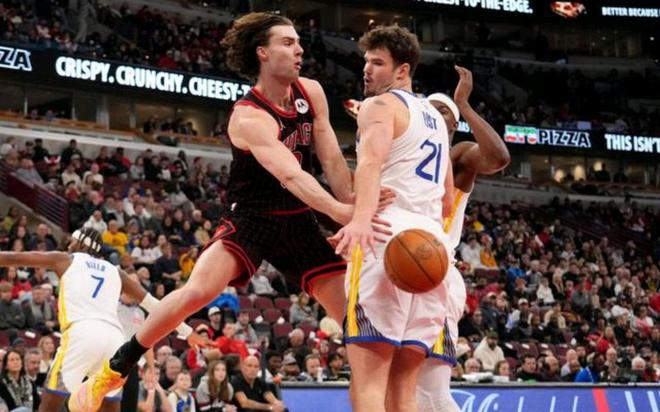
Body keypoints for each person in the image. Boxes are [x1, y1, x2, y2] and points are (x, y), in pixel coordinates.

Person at [70, 12, 397, 410]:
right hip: (251, 217)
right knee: (199, 291)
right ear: (263, 53)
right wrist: (343, 213)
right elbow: (291, 175)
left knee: (355, 319)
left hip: (298, 219)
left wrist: (355, 204)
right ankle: (117, 366)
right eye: (288, 42)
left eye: (298, 41)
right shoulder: (248, 116)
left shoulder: (310, 91)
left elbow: (330, 159)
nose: (299, 49)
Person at [330, 25, 454, 412]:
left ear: (403, 70)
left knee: (369, 381)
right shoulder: (436, 120)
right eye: (366, 62)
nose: (367, 69)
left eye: (378, 63)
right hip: (434, 249)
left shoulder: (380, 106)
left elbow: (370, 163)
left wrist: (361, 219)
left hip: (387, 237)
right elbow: (448, 200)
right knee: (404, 388)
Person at [0, 227, 202, 412]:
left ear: (81, 244)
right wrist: (187, 332)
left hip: (81, 334)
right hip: (114, 339)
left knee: (49, 406)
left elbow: (15, 257)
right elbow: (155, 305)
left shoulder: (65, 259)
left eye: (72, 242)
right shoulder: (116, 271)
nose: (68, 246)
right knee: (109, 405)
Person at [416, 67, 510, 411]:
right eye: (428, 109)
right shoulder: (402, 156)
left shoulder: (457, 155)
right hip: (399, 267)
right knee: (397, 389)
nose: (433, 114)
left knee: (431, 393)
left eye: (443, 111)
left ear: (454, 126)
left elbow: (498, 158)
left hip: (435, 272)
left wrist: (464, 105)